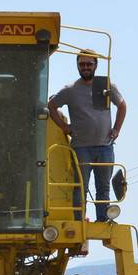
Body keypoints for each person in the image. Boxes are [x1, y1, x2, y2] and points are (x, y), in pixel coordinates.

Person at [47, 49, 127, 221]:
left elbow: (122, 106)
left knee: (103, 187)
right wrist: (64, 127)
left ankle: (103, 219)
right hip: (81, 147)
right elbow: (51, 106)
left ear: (96, 65)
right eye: (82, 64)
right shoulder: (70, 90)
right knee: (80, 186)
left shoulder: (107, 86)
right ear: (77, 66)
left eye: (89, 64)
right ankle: (78, 220)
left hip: (105, 147)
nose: (85, 67)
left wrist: (117, 129)